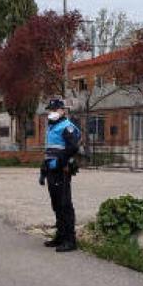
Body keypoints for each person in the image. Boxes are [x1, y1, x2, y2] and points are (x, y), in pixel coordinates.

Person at [40, 99, 80, 252]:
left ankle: (70, 240)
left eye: (55, 109)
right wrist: (43, 170)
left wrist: (60, 163)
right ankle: (60, 236)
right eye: (50, 110)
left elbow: (72, 148)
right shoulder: (52, 126)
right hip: (52, 170)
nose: (52, 112)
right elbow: (50, 150)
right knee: (56, 205)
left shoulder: (66, 127)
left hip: (62, 170)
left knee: (65, 205)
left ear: (63, 110)